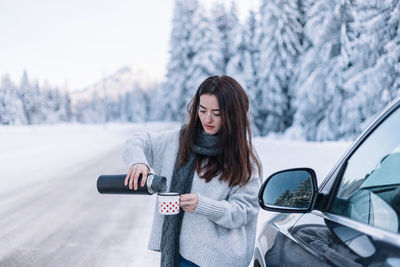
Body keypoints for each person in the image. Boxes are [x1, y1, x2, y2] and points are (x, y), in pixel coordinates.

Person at [122, 75, 262, 267]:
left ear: (232, 115)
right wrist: (139, 162)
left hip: (218, 260)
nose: (207, 119)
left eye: (217, 113)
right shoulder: (179, 141)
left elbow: (243, 211)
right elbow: (137, 141)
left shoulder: (243, 158)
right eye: (202, 110)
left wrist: (202, 205)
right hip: (178, 255)